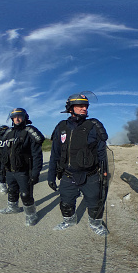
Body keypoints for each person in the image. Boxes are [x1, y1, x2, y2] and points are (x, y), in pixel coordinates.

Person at [48, 92, 110, 236]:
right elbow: (55, 154)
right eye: (80, 106)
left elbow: (102, 153)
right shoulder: (61, 127)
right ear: (70, 108)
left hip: (90, 175)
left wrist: (104, 174)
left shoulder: (94, 126)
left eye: (86, 106)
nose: (84, 109)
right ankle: (69, 221)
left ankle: (96, 225)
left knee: (95, 203)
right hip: (68, 175)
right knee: (66, 203)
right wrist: (51, 176)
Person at [0, 108, 45, 227]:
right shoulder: (8, 132)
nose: (17, 119)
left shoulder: (30, 131)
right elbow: (4, 152)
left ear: (25, 117)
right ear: (12, 119)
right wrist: (3, 168)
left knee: (25, 195)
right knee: (12, 190)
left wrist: (35, 173)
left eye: (19, 116)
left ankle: (31, 215)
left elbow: (37, 155)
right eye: (14, 117)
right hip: (10, 170)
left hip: (24, 172)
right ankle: (12, 208)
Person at [0, 125, 9, 193]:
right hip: (3, 158)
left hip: (3, 158)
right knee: (3, 172)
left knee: (3, 172)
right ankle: (3, 184)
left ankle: (4, 185)